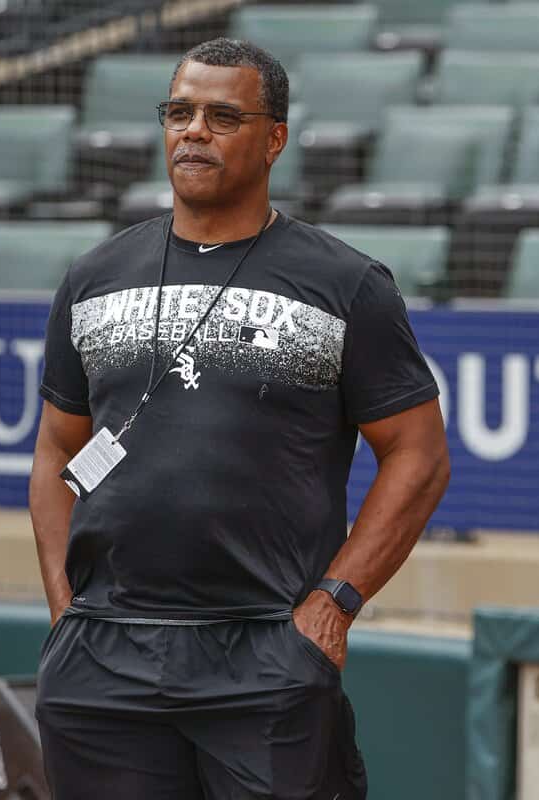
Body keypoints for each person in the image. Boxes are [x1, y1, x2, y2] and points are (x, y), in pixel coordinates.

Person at [29, 38, 449, 799]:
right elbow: (58, 450)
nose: (194, 130)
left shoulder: (347, 284)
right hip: (102, 662)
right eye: (179, 112)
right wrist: (67, 612)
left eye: (223, 116)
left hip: (264, 655)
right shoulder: (93, 278)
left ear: (275, 138)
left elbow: (418, 457)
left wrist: (333, 605)